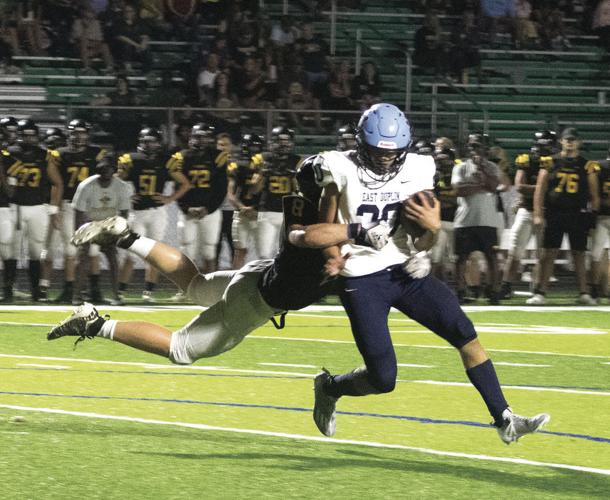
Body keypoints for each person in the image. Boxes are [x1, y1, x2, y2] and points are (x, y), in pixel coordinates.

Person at [312, 102, 549, 444]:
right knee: (384, 378)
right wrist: (334, 259)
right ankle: (331, 387)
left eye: (392, 153)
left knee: (464, 332)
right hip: (361, 274)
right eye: (377, 151)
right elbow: (326, 225)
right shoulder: (340, 167)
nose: (384, 160)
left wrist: (430, 237)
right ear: (361, 143)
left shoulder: (417, 168)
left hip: (404, 269)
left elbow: (424, 234)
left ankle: (505, 419)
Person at [46, 156, 382, 370]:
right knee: (181, 349)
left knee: (197, 286)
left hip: (260, 274)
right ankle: (94, 323)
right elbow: (314, 239)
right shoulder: (326, 219)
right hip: (259, 298)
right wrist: (356, 235)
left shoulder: (303, 203)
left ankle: (126, 237)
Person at [527, 128, 600, 305]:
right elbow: (540, 189)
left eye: (573, 140)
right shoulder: (550, 162)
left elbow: (594, 194)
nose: (570, 142)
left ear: (579, 142)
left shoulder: (586, 165)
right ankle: (541, 292)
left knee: (580, 254)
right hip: (555, 212)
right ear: (561, 141)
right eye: (567, 139)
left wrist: (592, 217)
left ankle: (584, 292)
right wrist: (538, 213)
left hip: (577, 213)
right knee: (548, 253)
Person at [117, 127, 190, 302]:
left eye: (152, 141)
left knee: (154, 254)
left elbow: (185, 184)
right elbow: (115, 180)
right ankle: (120, 291)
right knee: (130, 254)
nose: (148, 144)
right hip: (137, 213)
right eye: (145, 141)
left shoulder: (166, 161)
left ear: (158, 143)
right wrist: (126, 197)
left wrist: (169, 198)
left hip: (157, 212)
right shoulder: (131, 160)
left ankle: (148, 293)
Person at [2, 119, 63, 302]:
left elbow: (57, 182)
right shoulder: (8, 154)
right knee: (10, 250)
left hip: (37, 207)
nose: (29, 139)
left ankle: (36, 291)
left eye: (32, 135)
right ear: (19, 136)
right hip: (15, 206)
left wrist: (53, 209)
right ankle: (7, 290)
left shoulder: (44, 155)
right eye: (25, 135)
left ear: (37, 136)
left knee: (36, 251)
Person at [48, 119, 108, 303]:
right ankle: (69, 289)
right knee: (71, 249)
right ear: (69, 133)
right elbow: (56, 184)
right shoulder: (59, 154)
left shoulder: (97, 153)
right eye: (75, 132)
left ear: (87, 134)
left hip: (92, 206)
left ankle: (95, 291)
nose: (78, 136)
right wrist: (54, 209)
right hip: (70, 205)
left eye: (82, 132)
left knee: (93, 250)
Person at [500, 130, 556, 299]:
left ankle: (538, 288)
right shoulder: (527, 160)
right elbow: (520, 187)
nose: (543, 147)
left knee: (542, 254)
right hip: (526, 210)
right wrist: (543, 189)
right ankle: (506, 285)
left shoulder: (557, 162)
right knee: (515, 251)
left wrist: (536, 189)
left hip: (548, 211)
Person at [167, 123, 228, 275]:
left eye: (204, 137)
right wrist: (186, 208)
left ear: (209, 139)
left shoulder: (217, 156)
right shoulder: (181, 156)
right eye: (197, 137)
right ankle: (187, 288)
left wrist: (208, 208)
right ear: (191, 137)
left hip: (210, 211)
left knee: (209, 250)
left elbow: (221, 188)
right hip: (189, 210)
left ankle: (209, 286)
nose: (200, 140)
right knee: (187, 249)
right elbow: (178, 187)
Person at [451, 133, 504, 305]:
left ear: (485, 149)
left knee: (492, 257)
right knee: (461, 257)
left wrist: (482, 173)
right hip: (465, 219)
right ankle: (460, 290)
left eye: (478, 146)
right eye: (472, 146)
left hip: (488, 220)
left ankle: (494, 291)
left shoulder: (492, 167)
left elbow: (494, 186)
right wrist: (482, 186)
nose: (474, 149)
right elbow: (459, 190)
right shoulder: (460, 167)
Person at [71, 154, 131, 305]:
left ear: (114, 170)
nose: (105, 171)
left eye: (109, 168)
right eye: (102, 168)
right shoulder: (86, 185)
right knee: (83, 255)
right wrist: (79, 233)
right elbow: (79, 211)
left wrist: (120, 231)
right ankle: (77, 296)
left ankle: (117, 295)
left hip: (109, 223)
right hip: (89, 221)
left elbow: (124, 212)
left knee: (112, 255)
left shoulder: (121, 187)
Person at [249, 126, 301, 259]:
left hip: (289, 213)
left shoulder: (297, 160)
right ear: (272, 142)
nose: (283, 144)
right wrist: (263, 173)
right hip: (267, 211)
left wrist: (294, 177)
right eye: (280, 140)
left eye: (286, 140)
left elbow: (300, 191)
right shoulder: (262, 159)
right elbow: (254, 190)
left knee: (287, 254)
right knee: (264, 254)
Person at [229, 133, 264, 269]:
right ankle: (235, 282)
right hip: (242, 213)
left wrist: (255, 209)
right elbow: (230, 193)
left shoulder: (267, 165)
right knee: (240, 251)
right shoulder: (237, 166)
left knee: (264, 253)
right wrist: (242, 207)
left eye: (257, 147)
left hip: (260, 213)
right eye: (252, 147)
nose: (254, 150)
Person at [590, 147, 610, 302]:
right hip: (602, 214)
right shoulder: (598, 166)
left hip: (602, 214)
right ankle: (595, 288)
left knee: (596, 254)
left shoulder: (598, 166)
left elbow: (593, 194)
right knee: (596, 253)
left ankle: (594, 288)